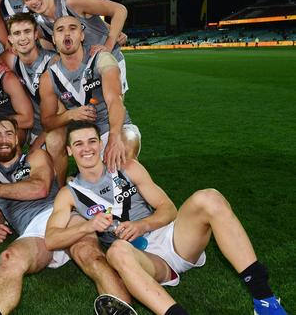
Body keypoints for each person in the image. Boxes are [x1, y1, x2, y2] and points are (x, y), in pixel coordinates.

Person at [47, 121, 288, 315]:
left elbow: (168, 208)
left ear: (100, 145)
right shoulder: (69, 194)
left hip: (173, 239)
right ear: (69, 150)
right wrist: (87, 226)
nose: (86, 148)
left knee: (209, 197)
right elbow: (51, 240)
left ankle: (264, 300)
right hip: (143, 260)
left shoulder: (127, 166)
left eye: (91, 141)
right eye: (78, 144)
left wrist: (143, 225)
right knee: (117, 251)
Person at [0, 116, 67, 315]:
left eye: (8, 134)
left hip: (62, 216)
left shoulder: (36, 157)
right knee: (9, 258)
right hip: (34, 233)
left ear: (16, 139)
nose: (3, 140)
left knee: (90, 255)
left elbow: (40, 189)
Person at [38, 16, 139, 187]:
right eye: (60, 30)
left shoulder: (101, 58)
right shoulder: (48, 77)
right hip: (81, 136)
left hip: (111, 128)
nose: (67, 33)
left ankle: (86, 181)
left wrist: (114, 138)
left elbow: (115, 100)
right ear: (54, 39)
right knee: (55, 140)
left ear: (82, 35)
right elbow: (47, 122)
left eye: (73, 28)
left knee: (126, 144)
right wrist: (70, 115)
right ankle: (69, 187)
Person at [16, 0, 129, 94]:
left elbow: (119, 10)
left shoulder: (72, 1)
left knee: (113, 106)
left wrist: (108, 45)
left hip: (108, 63)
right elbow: (55, 56)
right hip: (83, 73)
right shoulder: (40, 26)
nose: (34, 1)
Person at [0, 12, 56, 150]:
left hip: (55, 125)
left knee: (50, 146)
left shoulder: (53, 62)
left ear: (35, 35)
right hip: (33, 126)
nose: (22, 38)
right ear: (10, 39)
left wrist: (37, 144)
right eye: (17, 33)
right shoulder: (10, 59)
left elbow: (61, 112)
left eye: (27, 31)